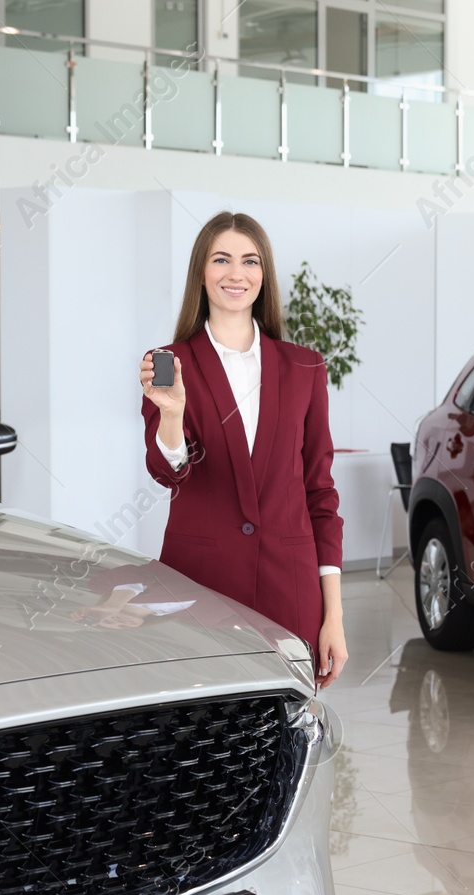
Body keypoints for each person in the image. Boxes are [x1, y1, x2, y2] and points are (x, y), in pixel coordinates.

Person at [138, 211, 347, 686]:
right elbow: (168, 472)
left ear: (264, 275)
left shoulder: (305, 368)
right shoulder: (171, 363)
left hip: (290, 590)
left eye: (250, 261)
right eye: (222, 259)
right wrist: (172, 414)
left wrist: (332, 614)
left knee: (290, 734)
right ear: (202, 272)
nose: (237, 273)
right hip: (200, 586)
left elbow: (320, 493)